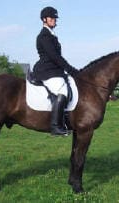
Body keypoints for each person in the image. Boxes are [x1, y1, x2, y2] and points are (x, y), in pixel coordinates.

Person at [33, 6, 79, 136]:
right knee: (62, 90)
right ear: (44, 19)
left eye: (54, 18)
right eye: (51, 18)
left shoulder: (51, 35)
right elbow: (54, 57)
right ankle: (55, 126)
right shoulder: (44, 36)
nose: (54, 20)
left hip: (54, 70)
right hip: (47, 70)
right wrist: (71, 69)